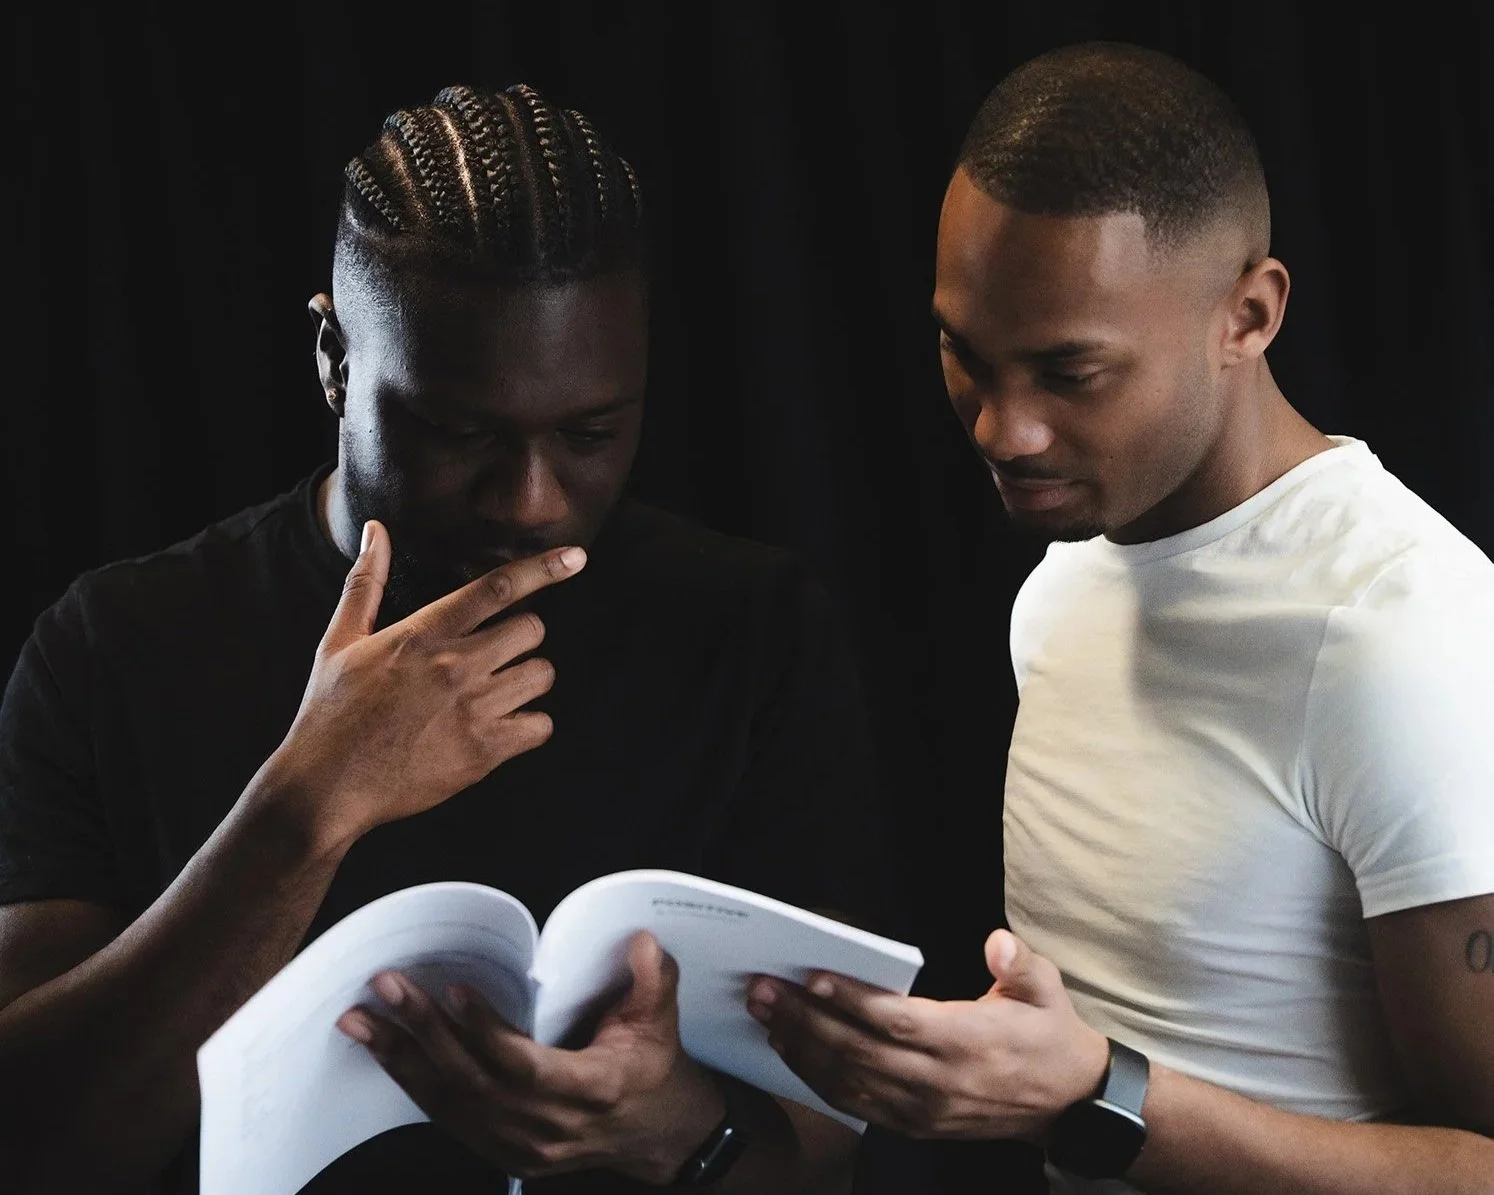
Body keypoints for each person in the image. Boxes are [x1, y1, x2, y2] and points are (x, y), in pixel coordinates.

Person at [0, 82, 884, 1195]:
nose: (528, 500)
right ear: (335, 360)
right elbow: (32, 1151)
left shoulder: (755, 633)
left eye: (591, 433)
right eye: (460, 431)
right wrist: (306, 805)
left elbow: (826, 1171)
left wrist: (665, 1129)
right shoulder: (111, 646)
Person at [745, 40, 1494, 1194]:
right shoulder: (1063, 581)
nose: (1004, 430)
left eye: (1069, 372)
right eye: (966, 357)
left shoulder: (1398, 633)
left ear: (1248, 315)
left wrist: (1098, 1093)